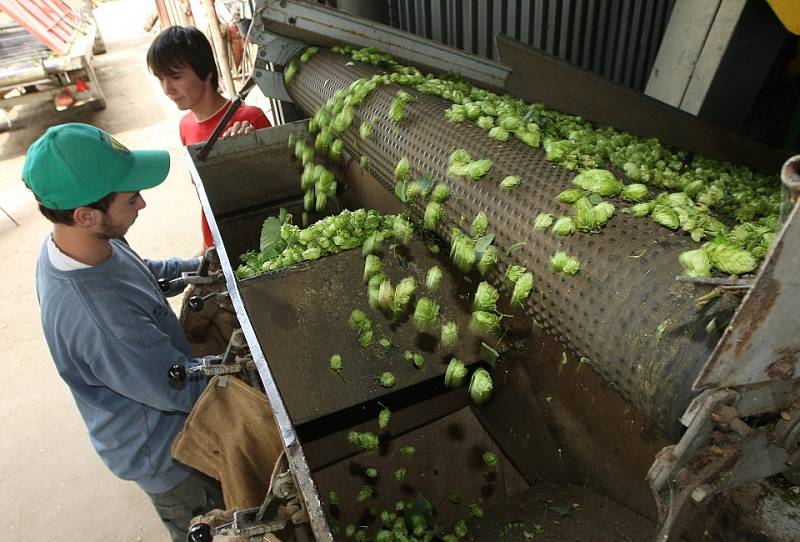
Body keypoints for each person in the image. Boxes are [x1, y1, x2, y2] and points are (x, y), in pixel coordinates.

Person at [24, 123, 223, 541]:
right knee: (217, 524)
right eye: (132, 199)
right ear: (86, 215)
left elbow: (141, 274)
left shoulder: (79, 244)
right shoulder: (101, 319)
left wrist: (200, 266)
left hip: (154, 395)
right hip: (169, 454)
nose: (144, 204)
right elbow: (183, 389)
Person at [147, 25, 271, 249]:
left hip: (254, 245)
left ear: (206, 72)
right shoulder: (185, 126)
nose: (167, 88)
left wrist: (252, 150)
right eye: (160, 79)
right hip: (217, 245)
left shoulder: (249, 119)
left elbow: (277, 190)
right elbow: (206, 200)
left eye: (174, 77)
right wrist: (206, 249)